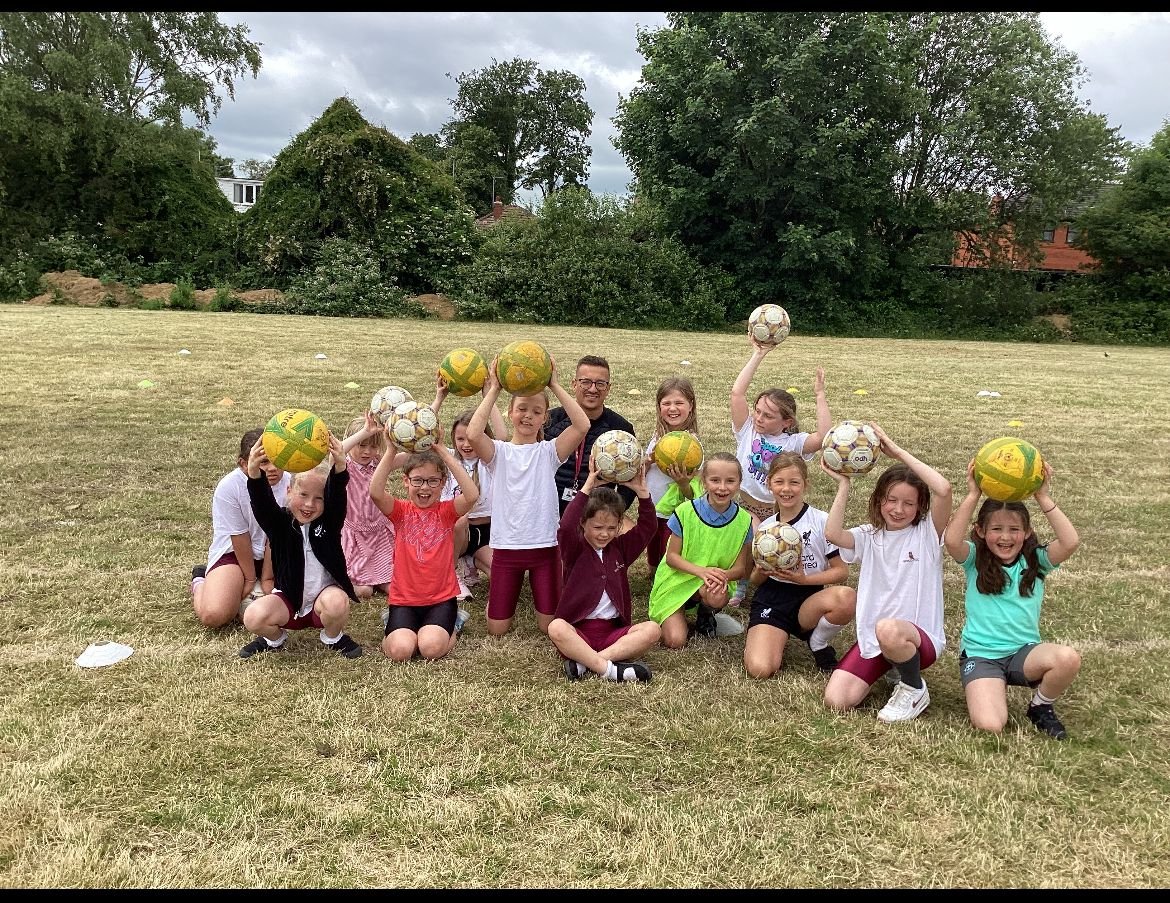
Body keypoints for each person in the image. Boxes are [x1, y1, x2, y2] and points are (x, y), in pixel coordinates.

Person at [820, 424, 951, 723]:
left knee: (890, 629)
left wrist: (898, 452)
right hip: (877, 640)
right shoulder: (870, 535)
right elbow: (833, 533)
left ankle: (914, 686)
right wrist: (844, 486)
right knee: (837, 700)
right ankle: (894, 667)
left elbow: (943, 489)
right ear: (879, 500)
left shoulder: (927, 534)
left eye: (908, 503)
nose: (898, 509)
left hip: (919, 641)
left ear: (920, 508)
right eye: (891, 500)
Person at [943, 459, 1081, 739]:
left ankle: (1041, 705)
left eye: (1014, 529)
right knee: (991, 724)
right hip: (982, 656)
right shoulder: (974, 560)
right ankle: (988, 685)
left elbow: (1070, 541)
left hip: (1023, 655)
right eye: (996, 529)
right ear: (981, 531)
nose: (1005, 537)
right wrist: (973, 494)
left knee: (1067, 658)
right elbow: (952, 541)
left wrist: (1042, 495)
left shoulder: (1036, 562)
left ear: (1027, 532)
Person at [465, 352, 589, 636]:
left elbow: (582, 426)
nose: (528, 416)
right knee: (497, 629)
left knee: (549, 628)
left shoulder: (549, 452)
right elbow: (473, 434)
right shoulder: (500, 452)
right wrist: (494, 388)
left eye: (536, 411)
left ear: (545, 417)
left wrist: (554, 385)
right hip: (507, 549)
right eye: (522, 409)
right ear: (510, 412)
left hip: (544, 549)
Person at [238, 432, 363, 659]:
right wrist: (255, 474)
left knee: (337, 602)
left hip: (322, 602)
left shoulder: (330, 521)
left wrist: (341, 466)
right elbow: (261, 504)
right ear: (288, 492)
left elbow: (337, 495)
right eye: (303, 494)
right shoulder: (279, 524)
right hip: (289, 602)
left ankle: (332, 637)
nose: (309, 504)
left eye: (319, 498)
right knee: (253, 616)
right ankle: (274, 640)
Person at [729, 336, 831, 605]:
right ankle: (742, 582)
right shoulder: (747, 429)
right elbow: (737, 394)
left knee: (776, 546)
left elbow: (823, 436)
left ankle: (773, 581)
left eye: (768, 416)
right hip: (747, 506)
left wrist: (820, 396)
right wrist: (758, 355)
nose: (760, 418)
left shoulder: (793, 443)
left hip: (779, 511)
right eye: (758, 411)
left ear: (787, 422)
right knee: (749, 536)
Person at [369, 425, 479, 661]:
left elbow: (471, 495)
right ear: (406, 482)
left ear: (442, 484)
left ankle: (455, 624)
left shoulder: (446, 512)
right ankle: (393, 624)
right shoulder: (400, 511)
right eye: (417, 481)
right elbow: (376, 492)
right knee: (401, 652)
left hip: (440, 599)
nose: (425, 487)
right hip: (404, 599)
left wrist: (444, 453)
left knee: (430, 649)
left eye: (432, 481)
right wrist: (390, 451)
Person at [549, 454, 661, 683]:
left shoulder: (620, 549)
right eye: (598, 527)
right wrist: (588, 486)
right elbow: (566, 526)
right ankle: (612, 671)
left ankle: (588, 663)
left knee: (652, 630)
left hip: (613, 635)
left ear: (619, 525)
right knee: (556, 627)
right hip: (578, 633)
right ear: (584, 524)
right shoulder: (574, 549)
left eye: (611, 528)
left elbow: (648, 527)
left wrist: (642, 493)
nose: (604, 534)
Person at [743, 452, 857, 678]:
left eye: (794, 482)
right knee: (760, 669)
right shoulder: (765, 529)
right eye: (779, 482)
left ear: (805, 484)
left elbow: (841, 572)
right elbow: (754, 581)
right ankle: (773, 634)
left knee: (846, 597)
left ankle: (818, 641)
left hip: (809, 598)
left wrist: (804, 579)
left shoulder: (821, 521)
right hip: (773, 598)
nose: (787, 489)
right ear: (769, 484)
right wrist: (760, 572)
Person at [647, 452, 755, 649]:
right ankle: (675, 610)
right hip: (677, 579)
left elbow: (740, 569)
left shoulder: (744, 521)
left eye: (730, 481)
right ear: (704, 481)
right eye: (715, 480)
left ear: (739, 483)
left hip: (711, 583)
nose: (722, 487)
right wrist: (702, 571)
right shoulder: (685, 511)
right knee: (675, 641)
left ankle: (706, 615)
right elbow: (671, 558)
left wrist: (720, 576)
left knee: (716, 595)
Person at [191, 427, 290, 629]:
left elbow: (276, 535)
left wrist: (267, 579)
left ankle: (252, 591)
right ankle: (200, 580)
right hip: (236, 554)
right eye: (264, 462)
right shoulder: (230, 486)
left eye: (277, 460)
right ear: (244, 463)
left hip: (277, 553)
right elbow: (239, 537)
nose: (272, 468)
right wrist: (249, 578)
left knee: (296, 606)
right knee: (214, 615)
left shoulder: (291, 482)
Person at [431, 376, 508, 600]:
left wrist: (489, 393)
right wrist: (439, 397)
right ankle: (451, 572)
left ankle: (470, 561)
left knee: (501, 579)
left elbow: (502, 435)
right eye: (460, 439)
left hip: (486, 532)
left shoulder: (491, 460)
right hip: (455, 531)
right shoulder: (448, 459)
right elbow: (424, 431)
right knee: (460, 519)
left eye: (472, 438)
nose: (466, 444)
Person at [545, 355, 637, 515]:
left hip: (594, 515)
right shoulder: (549, 421)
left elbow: (629, 482)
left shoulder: (621, 429)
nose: (593, 389)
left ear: (608, 388)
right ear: (574, 384)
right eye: (586, 382)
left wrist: (612, 512)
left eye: (600, 383)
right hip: (547, 510)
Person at [339, 412, 407, 600]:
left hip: (379, 535)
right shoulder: (344, 465)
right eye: (362, 445)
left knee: (394, 586)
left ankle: (378, 576)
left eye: (373, 446)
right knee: (363, 591)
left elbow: (409, 453)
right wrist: (364, 432)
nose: (367, 451)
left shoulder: (378, 464)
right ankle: (362, 579)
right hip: (355, 538)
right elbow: (336, 451)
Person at [643, 376, 702, 572]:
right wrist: (647, 461)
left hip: (675, 513)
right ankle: (652, 572)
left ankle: (665, 577)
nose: (673, 408)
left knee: (669, 551)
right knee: (652, 546)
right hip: (653, 507)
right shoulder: (656, 438)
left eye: (679, 403)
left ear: (691, 405)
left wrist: (684, 483)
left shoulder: (693, 446)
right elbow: (642, 473)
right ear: (659, 407)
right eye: (666, 403)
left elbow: (694, 495)